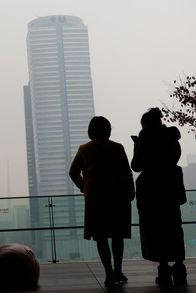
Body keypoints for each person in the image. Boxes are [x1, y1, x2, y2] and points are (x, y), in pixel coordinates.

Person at [69, 116, 135, 289]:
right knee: (117, 235)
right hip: (117, 196)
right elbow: (127, 173)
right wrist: (130, 191)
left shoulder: (84, 149)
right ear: (108, 130)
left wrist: (85, 187)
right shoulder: (117, 148)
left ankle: (108, 273)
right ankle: (118, 270)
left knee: (101, 237)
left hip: (95, 198)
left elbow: (73, 172)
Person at [131, 107, 187, 287]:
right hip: (171, 188)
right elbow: (175, 157)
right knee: (174, 228)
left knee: (155, 229)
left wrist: (136, 145)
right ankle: (179, 269)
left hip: (151, 190)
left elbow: (136, 165)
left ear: (145, 124)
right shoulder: (172, 137)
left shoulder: (145, 138)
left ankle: (163, 271)